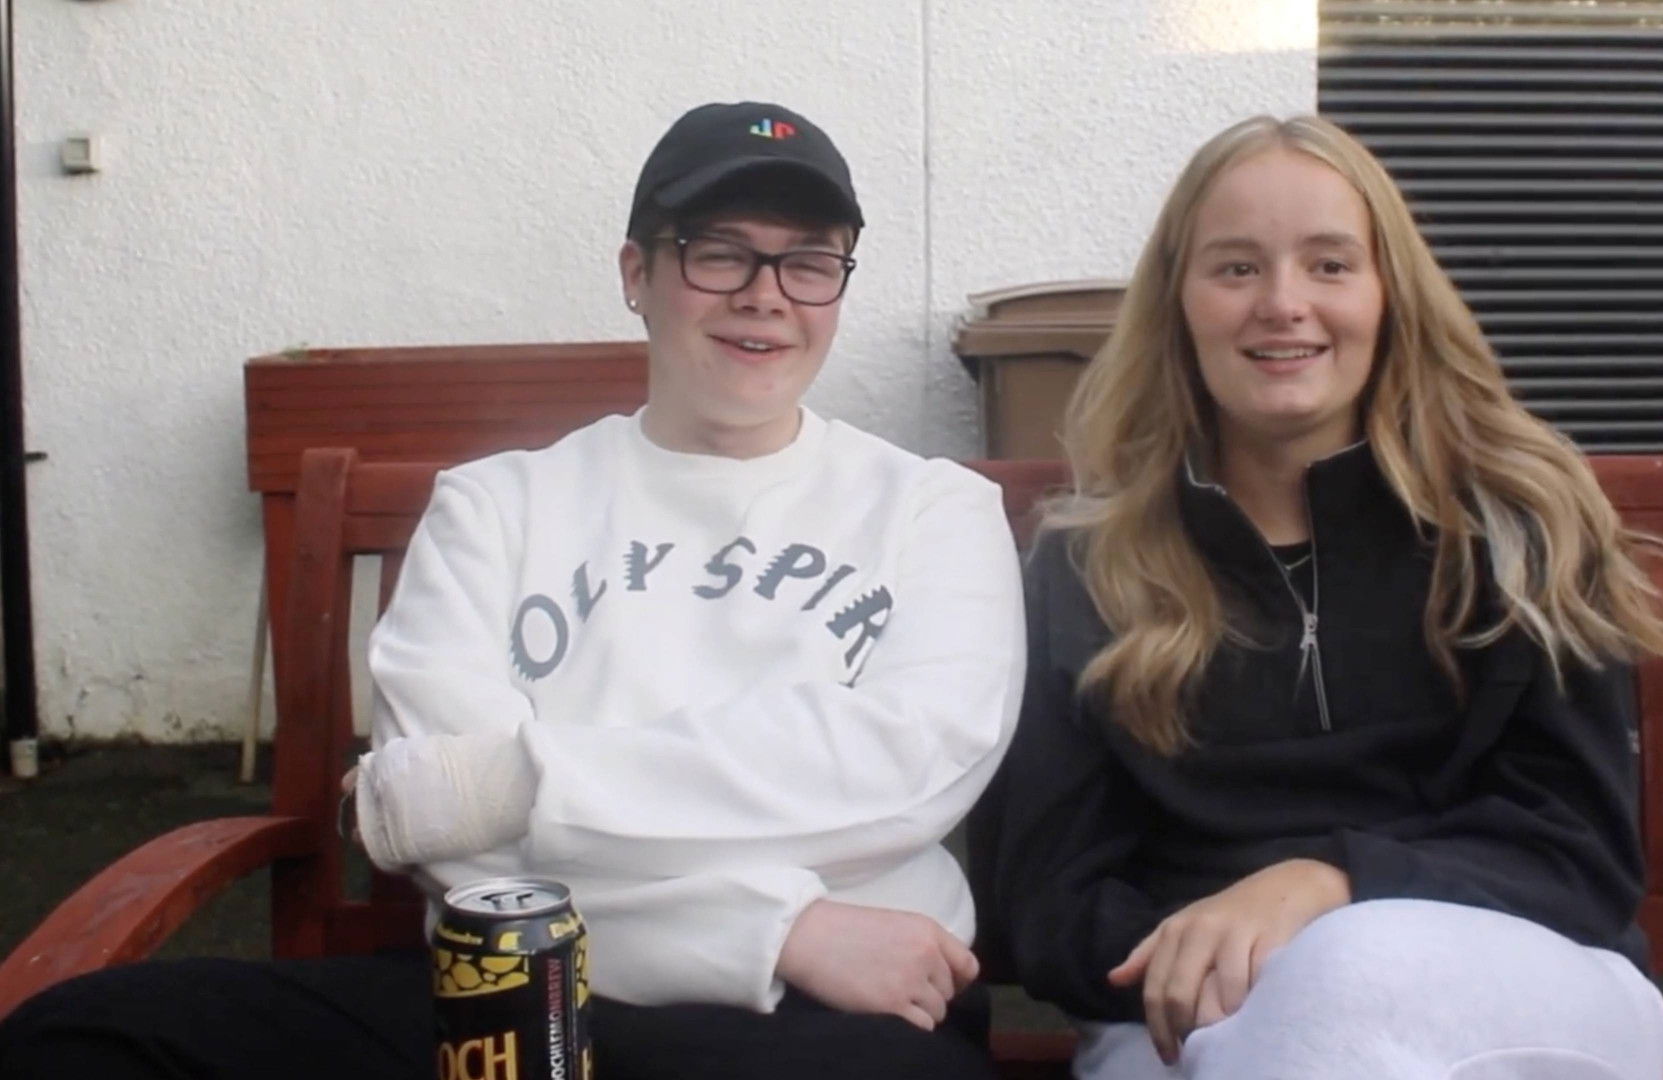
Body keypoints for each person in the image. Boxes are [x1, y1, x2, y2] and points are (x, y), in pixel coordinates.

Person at [0, 100, 1024, 1080]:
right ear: (637, 273)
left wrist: (506, 782)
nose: (767, 294)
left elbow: (901, 770)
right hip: (515, 986)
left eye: (809, 261)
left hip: (829, 1021)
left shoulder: (933, 512)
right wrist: (774, 931)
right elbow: (465, 861)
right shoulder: (495, 506)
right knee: (82, 1040)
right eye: (718, 252)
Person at [969, 114, 1663, 1080]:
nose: (1282, 304)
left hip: (1525, 973)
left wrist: (1328, 886)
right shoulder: (1089, 566)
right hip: (1192, 1009)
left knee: (1348, 970)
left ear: (1390, 294)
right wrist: (1222, 956)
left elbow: (1579, 857)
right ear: (1177, 304)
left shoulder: (1520, 530)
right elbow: (1048, 898)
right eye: (1236, 268)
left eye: (1330, 265)